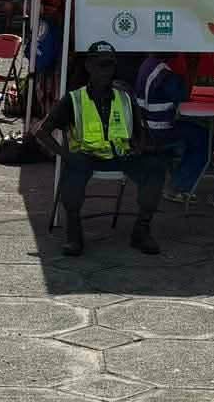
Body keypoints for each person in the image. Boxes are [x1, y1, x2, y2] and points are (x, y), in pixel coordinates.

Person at [42, 41, 166, 257]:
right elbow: (42, 132)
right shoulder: (74, 99)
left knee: (155, 168)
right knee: (72, 172)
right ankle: (74, 234)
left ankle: (141, 230)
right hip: (87, 156)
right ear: (88, 66)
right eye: (100, 65)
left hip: (121, 155)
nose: (105, 71)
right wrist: (66, 155)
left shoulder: (124, 96)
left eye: (109, 65)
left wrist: (140, 146)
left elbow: (139, 131)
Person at [137, 52, 209, 198]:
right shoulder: (162, 73)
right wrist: (192, 66)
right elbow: (184, 94)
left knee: (194, 129)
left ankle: (179, 177)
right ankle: (179, 187)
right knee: (205, 139)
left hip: (147, 127)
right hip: (158, 130)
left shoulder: (148, 64)